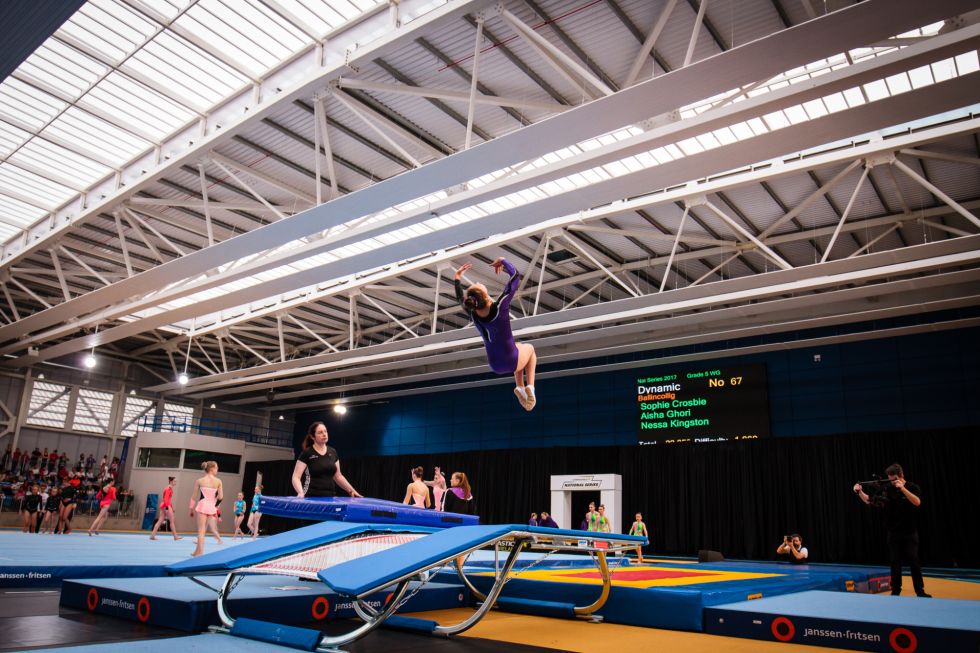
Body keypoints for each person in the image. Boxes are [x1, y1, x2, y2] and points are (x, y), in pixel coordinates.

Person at [454, 258, 538, 411]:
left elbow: (460, 300)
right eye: (478, 285)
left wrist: (457, 278)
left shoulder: (473, 314)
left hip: (495, 365)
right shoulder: (500, 307)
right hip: (511, 360)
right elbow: (516, 277)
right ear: (485, 296)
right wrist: (503, 261)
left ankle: (520, 387)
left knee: (518, 347)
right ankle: (530, 387)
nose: (479, 282)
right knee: (530, 349)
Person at [853, 463, 930, 597]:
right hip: (893, 532)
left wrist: (903, 489)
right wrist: (859, 492)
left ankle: (920, 591)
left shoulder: (912, 487)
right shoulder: (887, 489)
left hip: (909, 532)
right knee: (895, 561)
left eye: (894, 479)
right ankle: (895, 591)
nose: (892, 482)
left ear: (901, 476)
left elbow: (917, 502)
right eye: (890, 479)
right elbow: (869, 501)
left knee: (913, 560)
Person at [292, 422, 361, 499]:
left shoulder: (333, 452)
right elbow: (296, 477)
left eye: (325, 431)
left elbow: (338, 476)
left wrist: (352, 490)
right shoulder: (307, 453)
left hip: (330, 496)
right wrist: (300, 492)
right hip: (311, 496)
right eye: (320, 432)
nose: (324, 434)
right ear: (312, 436)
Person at [189, 461, 223, 556]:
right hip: (211, 507)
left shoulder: (200, 480)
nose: (217, 470)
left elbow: (193, 497)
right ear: (212, 469)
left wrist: (191, 509)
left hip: (202, 506)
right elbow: (220, 497)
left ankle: (200, 553)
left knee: (201, 530)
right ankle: (197, 552)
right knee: (203, 530)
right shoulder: (218, 481)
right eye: (217, 468)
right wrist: (215, 506)